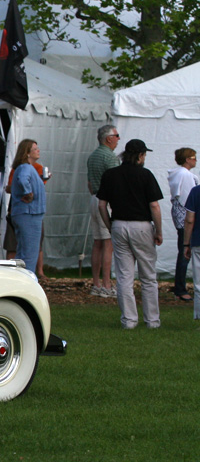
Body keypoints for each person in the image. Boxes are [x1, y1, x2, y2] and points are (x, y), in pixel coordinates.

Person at [96, 138, 164, 330]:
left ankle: (129, 320)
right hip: (141, 226)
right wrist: (158, 231)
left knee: (124, 276)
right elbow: (154, 206)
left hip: (118, 224)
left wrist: (109, 224)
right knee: (148, 276)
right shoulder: (145, 175)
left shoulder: (111, 175)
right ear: (141, 156)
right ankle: (152, 321)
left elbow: (101, 204)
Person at [87, 124, 120, 297]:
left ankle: (96, 284)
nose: (118, 139)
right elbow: (115, 183)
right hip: (105, 201)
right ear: (109, 138)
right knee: (108, 243)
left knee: (97, 242)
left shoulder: (92, 157)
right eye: (116, 135)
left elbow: (89, 184)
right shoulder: (110, 157)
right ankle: (107, 285)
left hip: (94, 198)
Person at [10, 139, 47, 275]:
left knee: (23, 251)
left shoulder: (26, 168)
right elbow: (23, 179)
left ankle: (19, 279)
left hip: (26, 213)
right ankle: (28, 280)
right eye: (35, 149)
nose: (38, 151)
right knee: (30, 253)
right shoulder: (26, 167)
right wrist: (28, 192)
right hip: (29, 214)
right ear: (27, 153)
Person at [167, 147, 198, 302]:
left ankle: (180, 287)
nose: (196, 160)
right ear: (187, 159)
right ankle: (180, 288)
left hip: (179, 215)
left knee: (183, 252)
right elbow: (189, 200)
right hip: (185, 217)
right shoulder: (185, 175)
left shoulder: (179, 174)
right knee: (185, 252)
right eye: (194, 157)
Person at [181, 183, 200, 321]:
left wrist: (186, 243)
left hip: (198, 242)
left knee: (199, 283)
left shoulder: (196, 191)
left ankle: (199, 315)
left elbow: (189, 220)